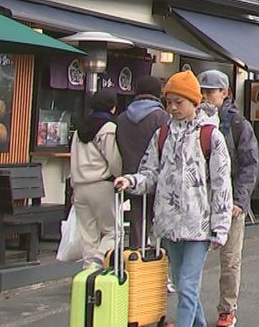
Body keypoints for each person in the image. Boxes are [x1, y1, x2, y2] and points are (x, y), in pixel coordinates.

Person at [115, 70, 233, 327]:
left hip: (198, 226)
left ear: (194, 101)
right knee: (181, 285)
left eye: (178, 102)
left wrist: (220, 227)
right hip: (169, 224)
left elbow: (222, 185)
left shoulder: (211, 135)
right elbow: (150, 173)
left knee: (188, 286)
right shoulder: (162, 134)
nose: (172, 107)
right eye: (169, 102)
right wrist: (131, 181)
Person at [198, 70, 259, 327]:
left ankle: (227, 309)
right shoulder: (193, 120)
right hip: (199, 200)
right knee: (192, 259)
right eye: (202, 91)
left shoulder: (238, 124)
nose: (206, 96)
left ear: (225, 93)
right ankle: (191, 309)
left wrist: (239, 201)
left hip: (231, 201)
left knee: (230, 259)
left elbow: (250, 165)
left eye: (211, 91)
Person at [69, 88, 123, 267]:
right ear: (113, 107)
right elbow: (114, 160)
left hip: (79, 186)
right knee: (114, 231)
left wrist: (73, 186)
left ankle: (87, 273)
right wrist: (120, 177)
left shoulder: (79, 130)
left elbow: (73, 159)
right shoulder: (108, 128)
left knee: (87, 234)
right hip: (101, 185)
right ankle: (97, 263)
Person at [115, 75, 170, 246]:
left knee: (137, 219)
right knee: (162, 219)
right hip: (158, 176)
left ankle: (136, 255)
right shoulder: (162, 117)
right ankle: (159, 258)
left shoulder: (122, 118)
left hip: (130, 174)